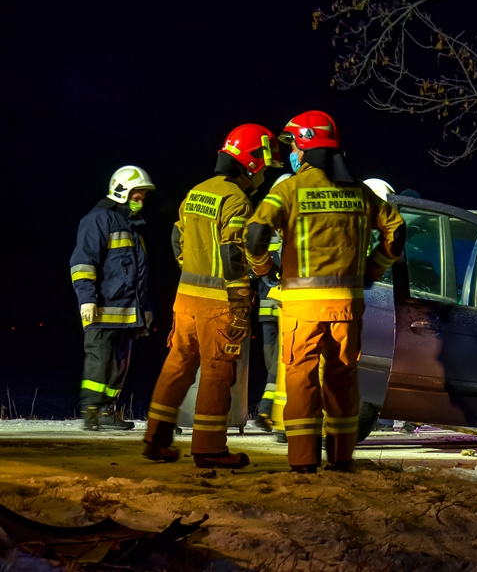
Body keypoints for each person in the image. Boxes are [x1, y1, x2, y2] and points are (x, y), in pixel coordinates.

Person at [246, 110, 405, 473]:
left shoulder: (287, 190)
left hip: (302, 308)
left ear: (305, 145)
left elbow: (254, 236)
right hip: (348, 308)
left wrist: (264, 269)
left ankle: (303, 460)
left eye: (294, 147)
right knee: (343, 378)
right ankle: (341, 456)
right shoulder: (360, 193)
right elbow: (396, 232)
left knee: (300, 378)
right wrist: (373, 269)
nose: (293, 154)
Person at [142, 124, 282, 468]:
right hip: (219, 304)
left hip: (186, 300)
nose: (263, 173)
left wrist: (193, 267)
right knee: (218, 373)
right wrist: (239, 299)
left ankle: (156, 438)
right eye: (263, 165)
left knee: (177, 367)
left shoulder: (196, 192)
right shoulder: (236, 199)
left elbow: (177, 239)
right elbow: (233, 254)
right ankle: (209, 448)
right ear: (250, 162)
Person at [70, 166, 156, 431]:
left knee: (119, 364)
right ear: (121, 192)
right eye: (136, 196)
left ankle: (106, 411)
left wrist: (146, 309)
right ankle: (91, 412)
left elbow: (138, 275)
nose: (140, 202)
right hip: (102, 308)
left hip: (127, 311)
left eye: (142, 198)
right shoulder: (98, 220)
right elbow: (83, 261)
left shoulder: (132, 227)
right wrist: (87, 299)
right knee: (99, 361)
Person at [252, 174, 290, 432]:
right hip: (271, 310)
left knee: (280, 361)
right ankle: (270, 410)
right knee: (274, 362)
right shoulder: (273, 226)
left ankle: (267, 410)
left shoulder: (291, 225)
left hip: (283, 308)